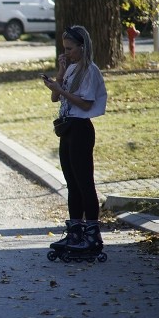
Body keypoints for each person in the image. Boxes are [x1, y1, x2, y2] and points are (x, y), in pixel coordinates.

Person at [42, 25, 108, 259]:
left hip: (81, 128)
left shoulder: (90, 71)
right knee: (71, 182)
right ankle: (75, 231)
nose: (66, 52)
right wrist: (59, 74)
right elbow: (54, 98)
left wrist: (61, 89)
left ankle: (92, 233)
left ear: (82, 47)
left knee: (84, 182)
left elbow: (86, 104)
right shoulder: (70, 69)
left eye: (70, 49)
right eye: (64, 49)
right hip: (67, 128)